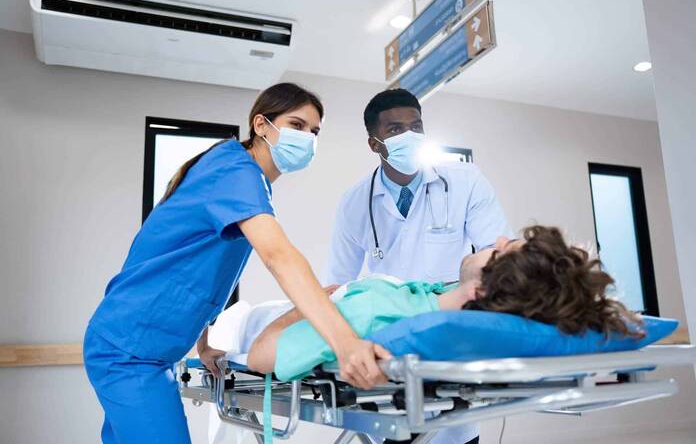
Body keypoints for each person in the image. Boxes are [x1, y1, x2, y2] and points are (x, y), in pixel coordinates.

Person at [83, 83, 390, 444]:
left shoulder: (242, 176)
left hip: (134, 346)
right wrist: (345, 343)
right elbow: (279, 256)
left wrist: (203, 344)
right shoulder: (236, 172)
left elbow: (197, 273)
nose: (307, 138)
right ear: (261, 124)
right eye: (296, 125)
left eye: (314, 131)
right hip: (129, 351)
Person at [325, 88, 513, 443]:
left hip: (449, 336)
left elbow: (499, 255)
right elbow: (336, 285)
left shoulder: (464, 181)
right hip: (390, 340)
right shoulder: (354, 203)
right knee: (394, 429)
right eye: (395, 130)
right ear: (374, 143)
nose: (409, 136)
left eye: (416, 127)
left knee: (453, 431)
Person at [247, 225, 644, 382]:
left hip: (253, 322)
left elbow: (258, 355)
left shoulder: (372, 313)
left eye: (500, 251)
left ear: (482, 292)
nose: (497, 239)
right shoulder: (440, 297)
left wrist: (315, 300)